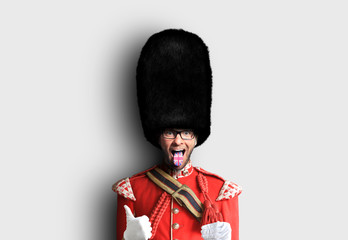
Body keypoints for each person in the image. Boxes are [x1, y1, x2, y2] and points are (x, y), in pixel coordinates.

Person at [113, 29, 242, 240]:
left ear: (197, 136)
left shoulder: (221, 191)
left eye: (186, 132)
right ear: (157, 134)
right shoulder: (132, 190)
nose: (178, 141)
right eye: (170, 132)